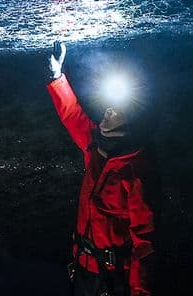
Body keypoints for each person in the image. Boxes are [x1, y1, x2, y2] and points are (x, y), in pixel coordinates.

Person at [47, 41, 159, 296]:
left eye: (118, 110)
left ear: (131, 123)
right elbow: (73, 115)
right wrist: (57, 75)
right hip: (83, 271)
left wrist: (139, 292)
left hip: (111, 280)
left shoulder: (137, 171)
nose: (109, 109)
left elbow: (145, 241)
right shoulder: (96, 146)